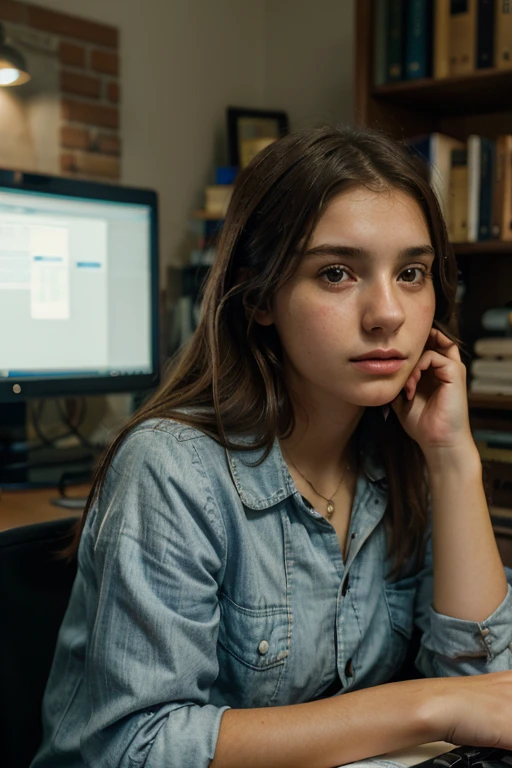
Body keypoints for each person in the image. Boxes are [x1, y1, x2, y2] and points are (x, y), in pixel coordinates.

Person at [31, 124, 512, 768]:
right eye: (338, 272)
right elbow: (133, 747)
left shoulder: (399, 455)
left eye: (412, 272)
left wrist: (452, 457)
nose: (388, 313)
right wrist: (419, 708)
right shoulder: (173, 467)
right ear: (260, 297)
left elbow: (484, 691)